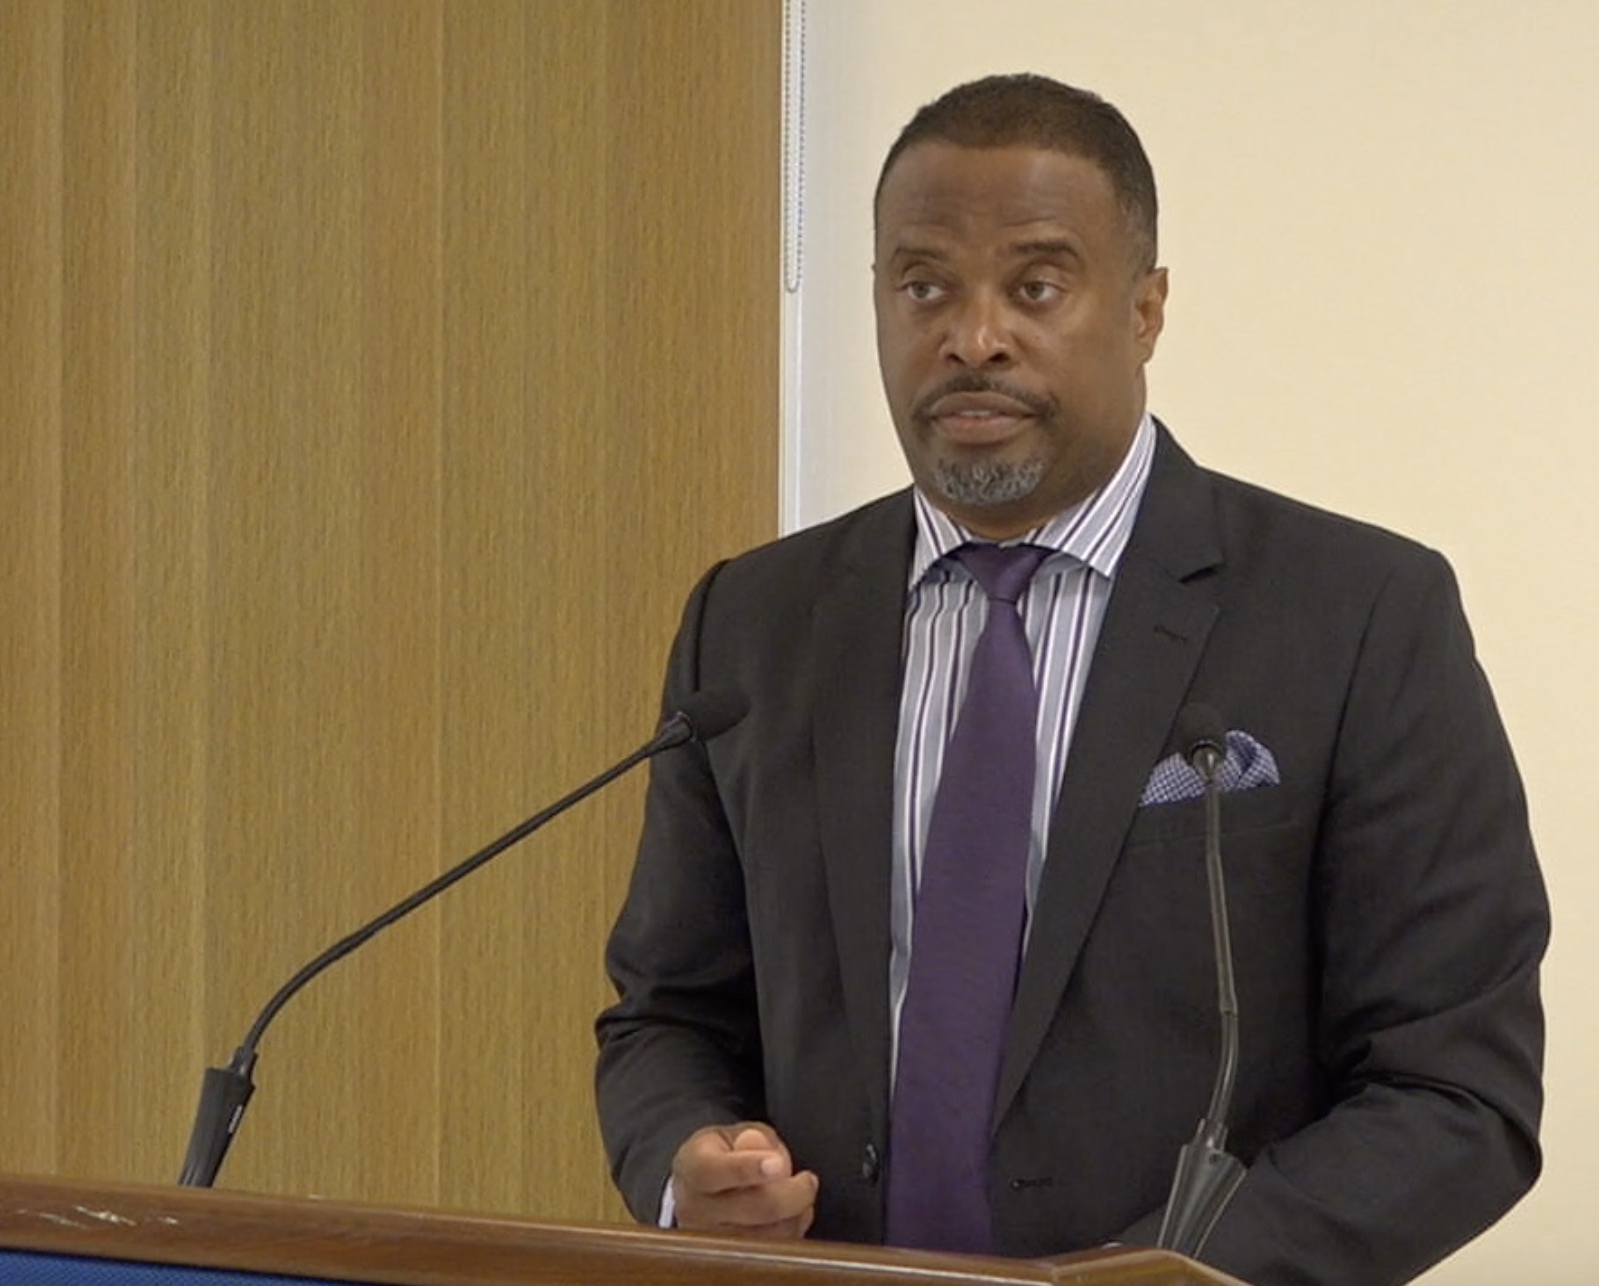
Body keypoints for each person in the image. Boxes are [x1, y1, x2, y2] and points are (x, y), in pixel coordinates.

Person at [595, 73, 1547, 1286]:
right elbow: (666, 1014)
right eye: (924, 284)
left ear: (1146, 309)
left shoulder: (1358, 614)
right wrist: (687, 1163)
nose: (974, 336)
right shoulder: (757, 621)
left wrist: (1176, 1273)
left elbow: (1458, 1086)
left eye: (1036, 286)